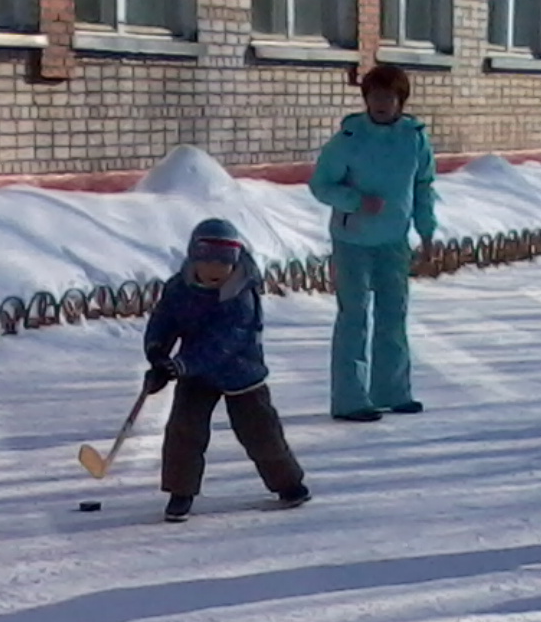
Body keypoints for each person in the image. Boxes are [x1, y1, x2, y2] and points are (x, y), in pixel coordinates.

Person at [143, 218, 309, 523]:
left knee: (261, 433)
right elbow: (164, 320)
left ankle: (288, 483)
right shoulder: (179, 288)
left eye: (225, 262)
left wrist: (179, 365)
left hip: (241, 373)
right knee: (184, 431)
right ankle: (181, 491)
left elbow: (223, 343)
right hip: (195, 375)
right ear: (195, 258)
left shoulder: (240, 296)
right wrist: (157, 353)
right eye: (210, 262)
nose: (218, 270)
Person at [308, 63, 438, 422]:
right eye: (375, 96)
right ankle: (350, 399)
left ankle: (392, 391)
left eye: (389, 97)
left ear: (401, 101)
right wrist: (356, 202)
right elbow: (321, 185)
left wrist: (426, 231)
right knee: (354, 317)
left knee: (393, 316)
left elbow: (423, 186)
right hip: (353, 241)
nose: (381, 104)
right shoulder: (349, 139)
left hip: (394, 241)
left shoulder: (414, 139)